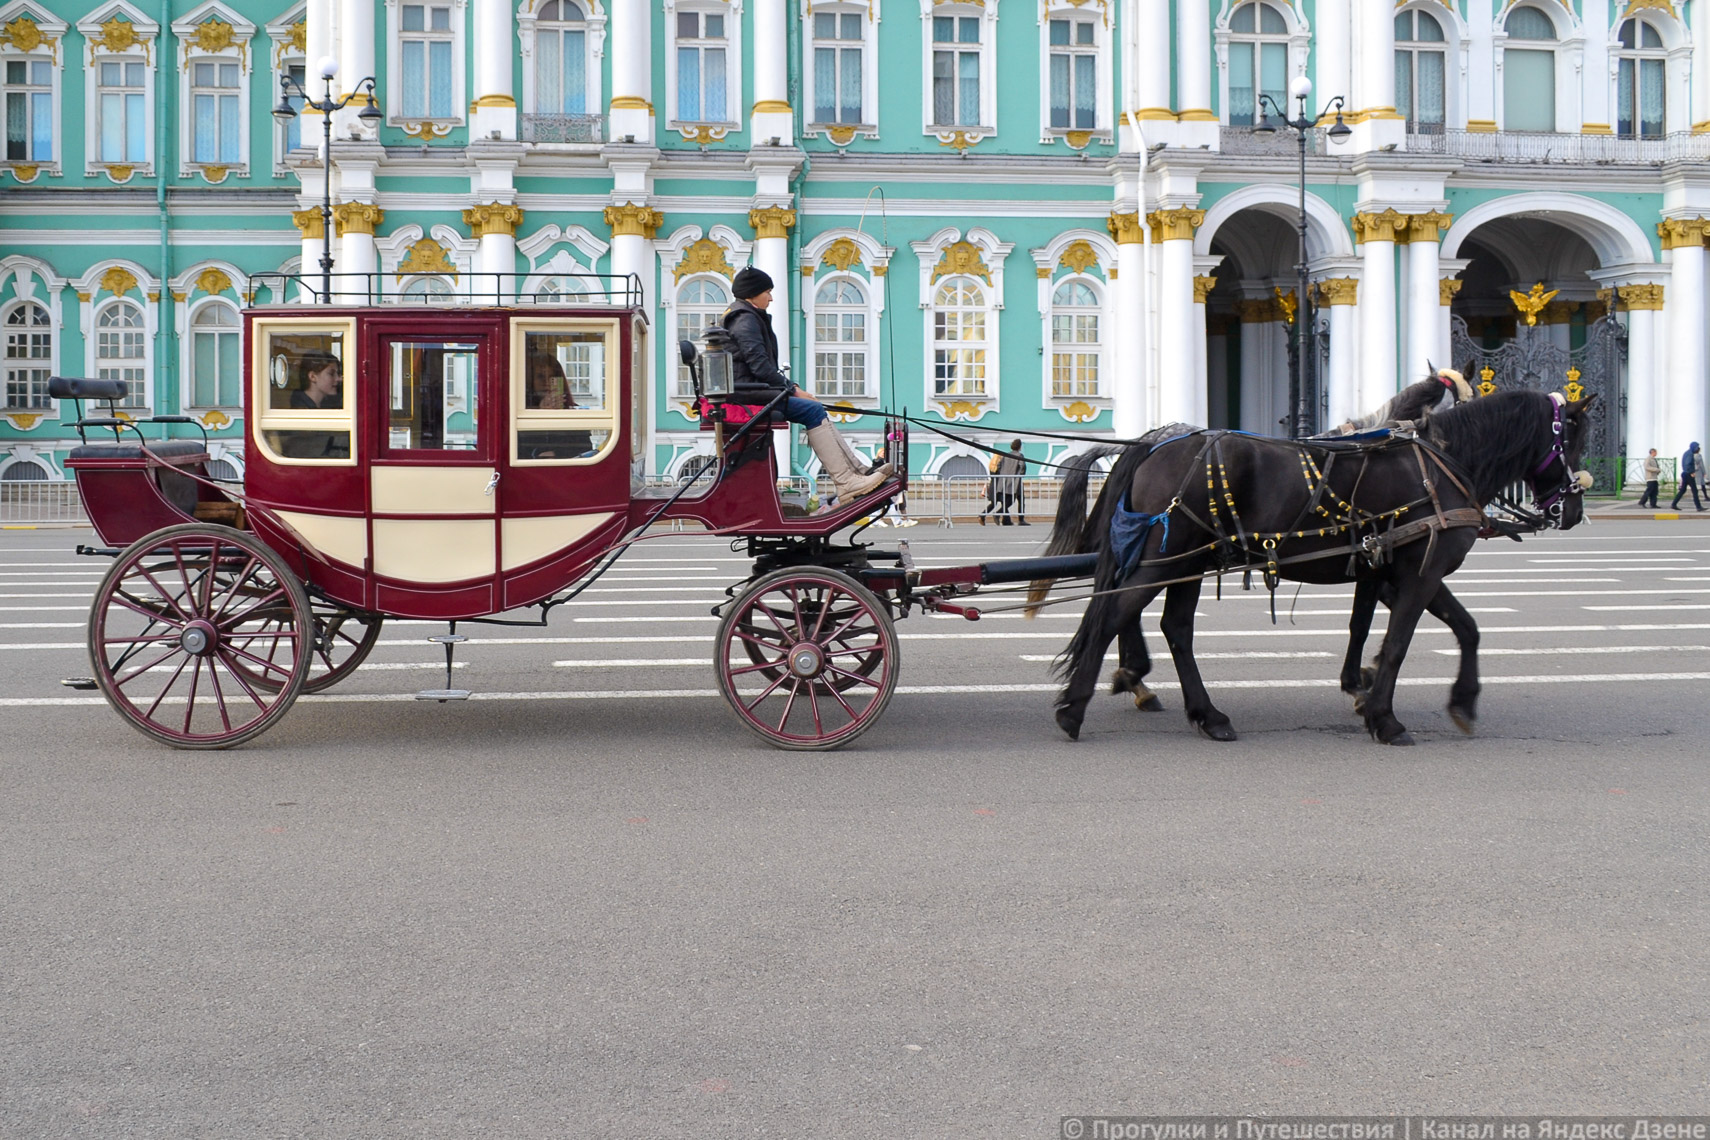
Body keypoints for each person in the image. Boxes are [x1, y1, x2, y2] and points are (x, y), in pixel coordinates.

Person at [722, 265, 891, 502]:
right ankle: (847, 481)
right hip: (749, 396)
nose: (771, 297)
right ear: (752, 293)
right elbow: (760, 367)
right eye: (767, 292)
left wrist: (790, 388)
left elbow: (759, 367)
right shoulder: (745, 321)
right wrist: (793, 389)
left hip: (751, 392)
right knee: (812, 409)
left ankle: (857, 473)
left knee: (814, 409)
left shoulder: (744, 317)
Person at [281, 353, 349, 458]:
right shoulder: (301, 413)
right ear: (313, 377)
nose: (339, 379)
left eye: (338, 374)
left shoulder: (326, 405)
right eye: (331, 374)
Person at [995, 439, 1029, 526]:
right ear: (1020, 446)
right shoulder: (1020, 455)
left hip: (1004, 481)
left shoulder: (1006, 455)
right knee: (1020, 500)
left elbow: (998, 466)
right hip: (1015, 481)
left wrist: (1003, 473)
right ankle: (1021, 520)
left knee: (1008, 500)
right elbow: (1022, 466)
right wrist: (1020, 474)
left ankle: (1004, 518)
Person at [1672, 442, 1704, 511]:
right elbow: (1687, 464)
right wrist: (1691, 472)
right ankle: (1698, 507)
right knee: (1695, 491)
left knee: (1683, 490)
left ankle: (1673, 504)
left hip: (1685, 474)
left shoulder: (1688, 453)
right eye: (1697, 448)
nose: (1698, 449)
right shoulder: (1689, 454)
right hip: (1688, 474)